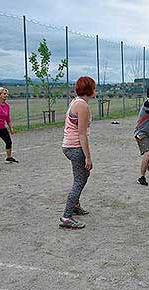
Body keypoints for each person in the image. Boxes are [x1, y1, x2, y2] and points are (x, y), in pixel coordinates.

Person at [59, 76, 95, 229]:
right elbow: (82, 134)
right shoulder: (82, 106)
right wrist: (88, 157)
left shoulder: (76, 102)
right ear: (89, 89)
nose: (96, 90)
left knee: (82, 176)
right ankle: (66, 217)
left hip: (70, 145)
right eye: (94, 87)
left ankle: (75, 205)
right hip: (75, 147)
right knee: (79, 180)